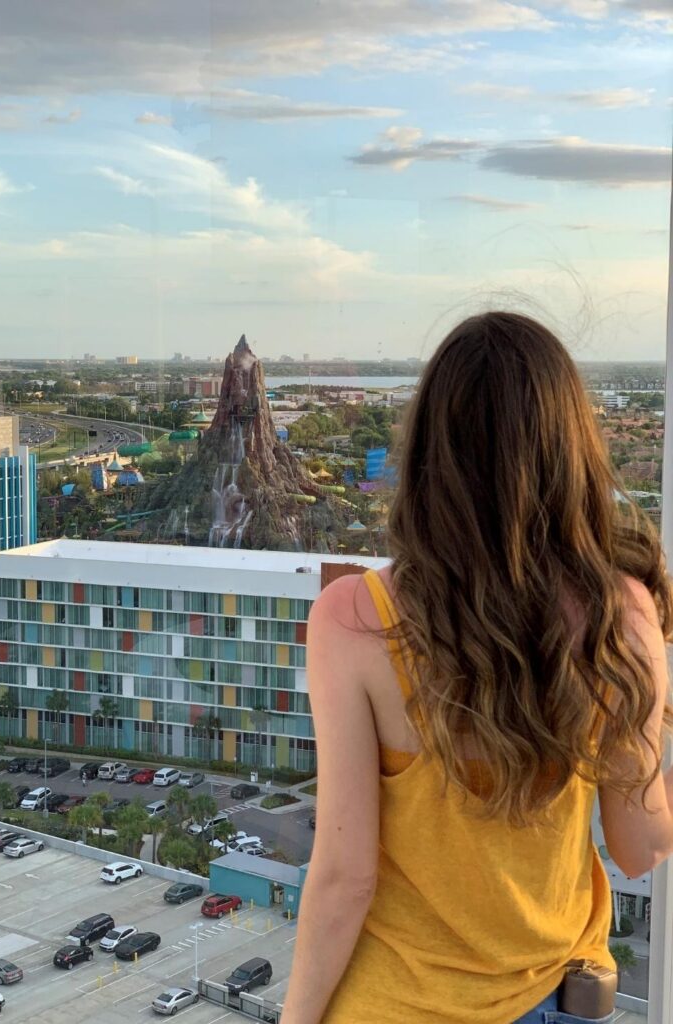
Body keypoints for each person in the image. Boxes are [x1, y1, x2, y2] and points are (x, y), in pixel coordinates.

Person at [279, 312, 673, 1024]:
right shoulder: (623, 614)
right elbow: (640, 847)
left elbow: (343, 879)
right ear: (570, 447)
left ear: (430, 450)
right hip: (555, 1000)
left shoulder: (353, 620)